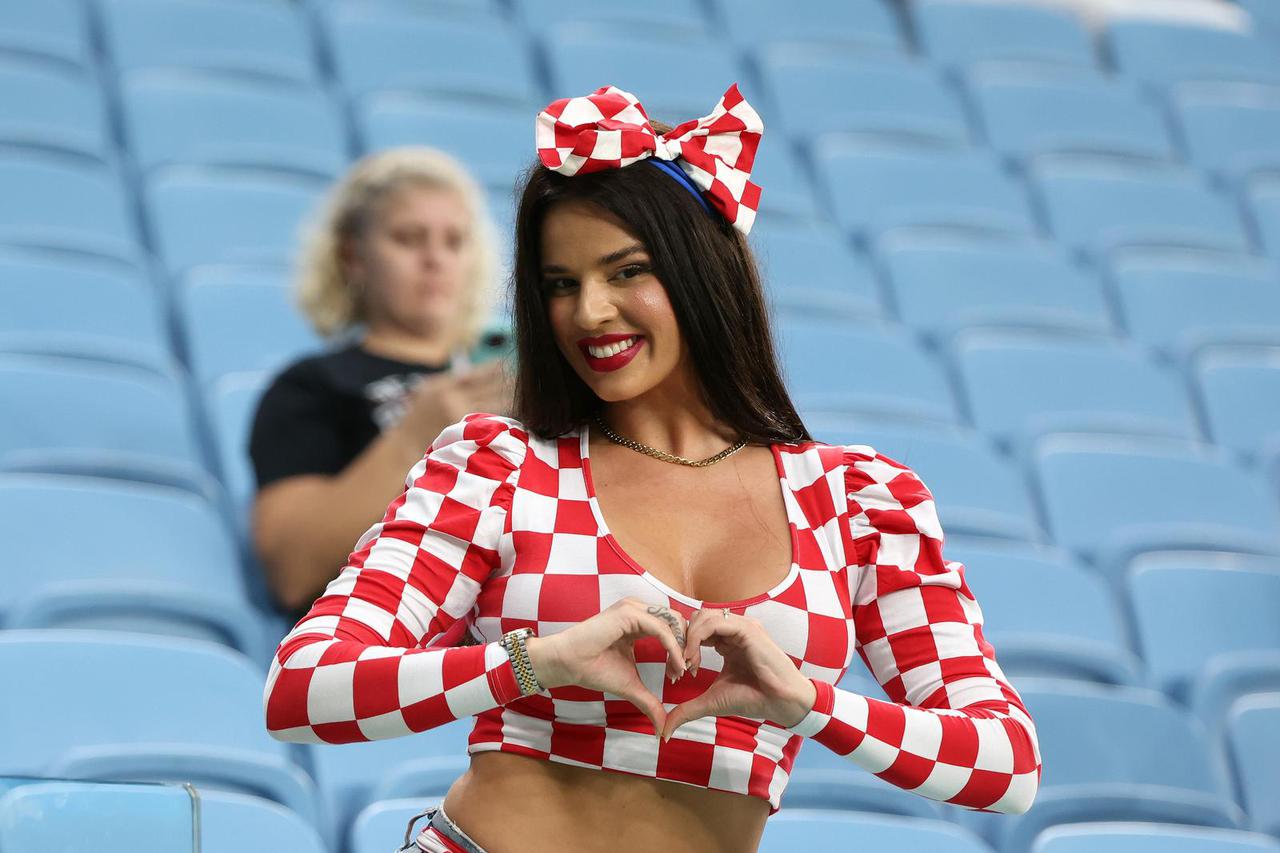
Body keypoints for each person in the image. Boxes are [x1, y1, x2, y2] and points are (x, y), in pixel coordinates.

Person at [263, 84, 1042, 853]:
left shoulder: (859, 500)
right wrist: (537, 663)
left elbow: (1005, 763)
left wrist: (806, 701)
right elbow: (302, 689)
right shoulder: (497, 467)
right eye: (560, 284)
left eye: (626, 271)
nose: (589, 312)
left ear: (704, 270)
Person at [249, 147, 513, 621]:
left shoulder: (507, 373)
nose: (435, 258)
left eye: (455, 242)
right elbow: (292, 569)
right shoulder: (312, 385)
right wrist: (418, 434)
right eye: (409, 238)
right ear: (353, 255)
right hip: (389, 630)